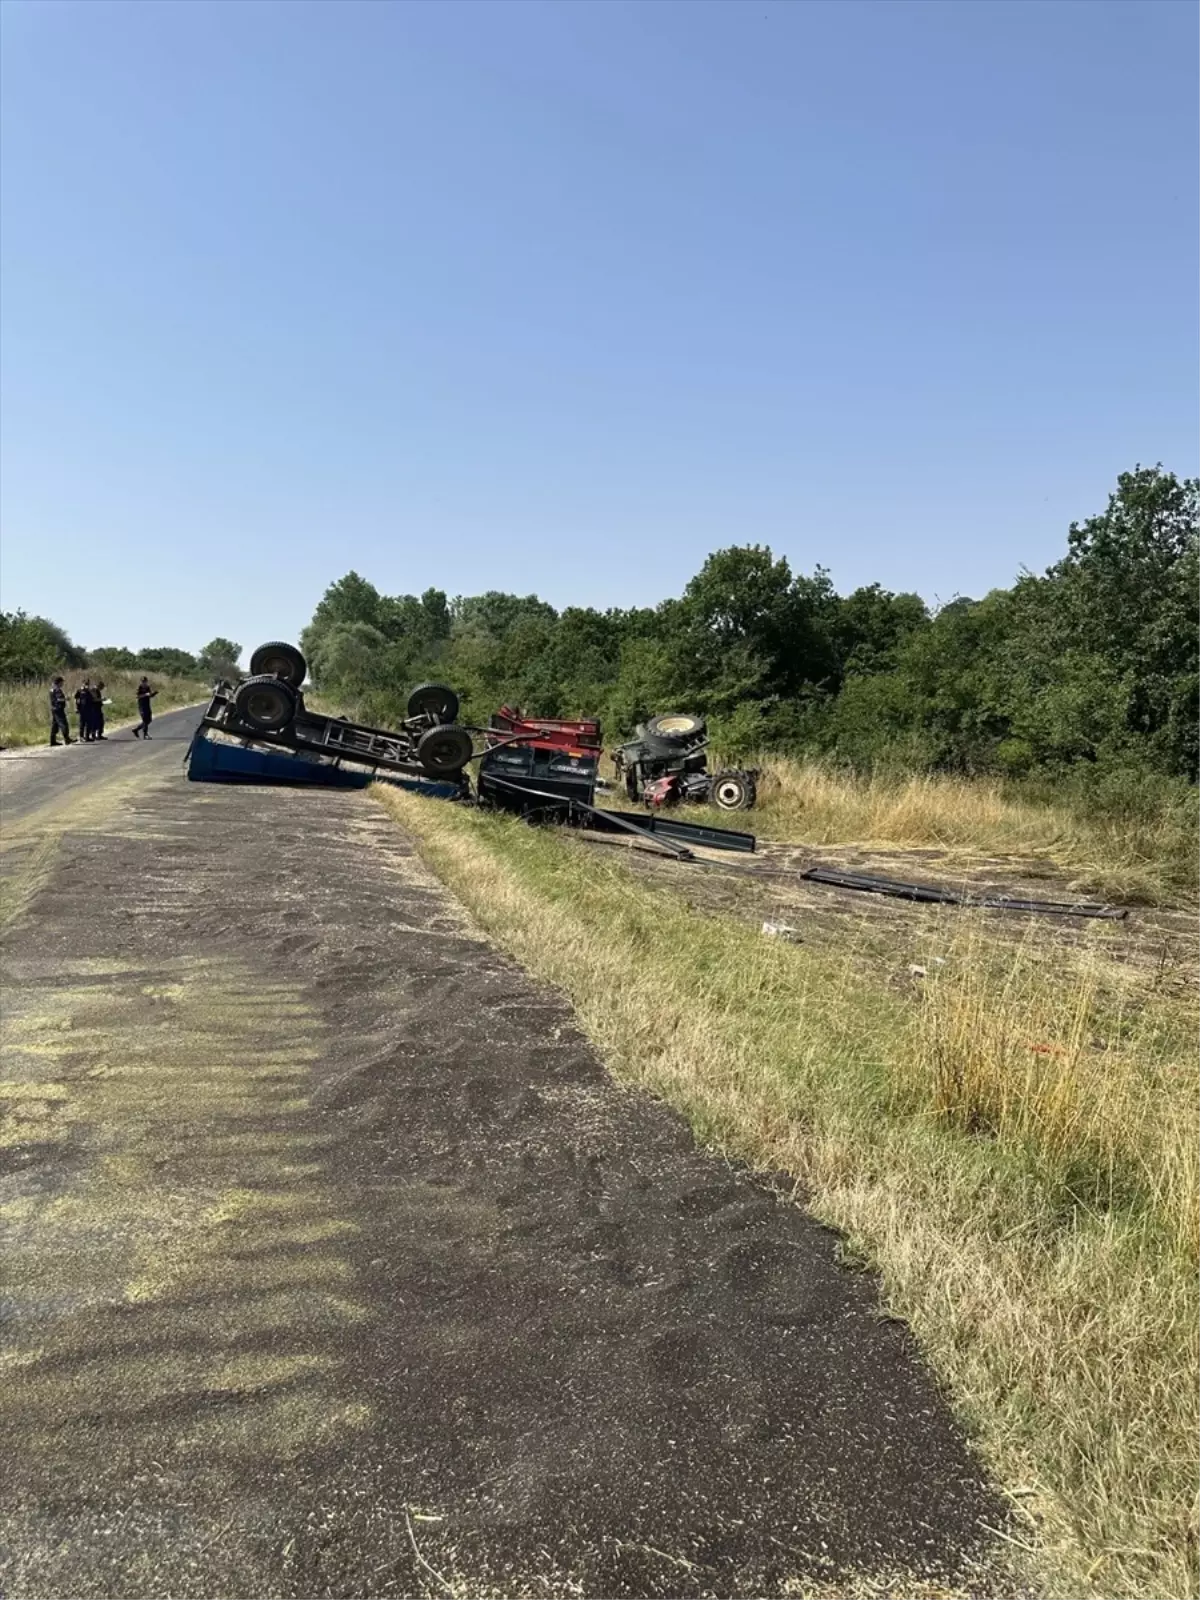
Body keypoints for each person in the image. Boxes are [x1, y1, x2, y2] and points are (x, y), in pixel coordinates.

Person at [49, 677, 72, 746]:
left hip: (54, 709)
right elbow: (59, 699)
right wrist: (66, 699)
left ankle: (52, 741)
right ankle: (67, 739)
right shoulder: (57, 689)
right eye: (62, 682)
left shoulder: (52, 689)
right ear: (59, 682)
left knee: (54, 726)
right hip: (58, 709)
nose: (62, 684)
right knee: (64, 724)